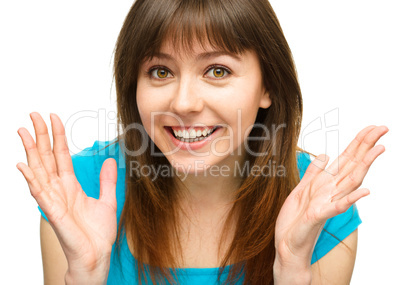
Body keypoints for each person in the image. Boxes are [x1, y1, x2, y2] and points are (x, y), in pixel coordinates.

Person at [16, 0, 388, 284]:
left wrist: (291, 268)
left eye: (217, 71)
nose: (183, 103)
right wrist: (85, 275)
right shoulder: (79, 191)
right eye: (160, 72)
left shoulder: (320, 208)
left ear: (268, 86)